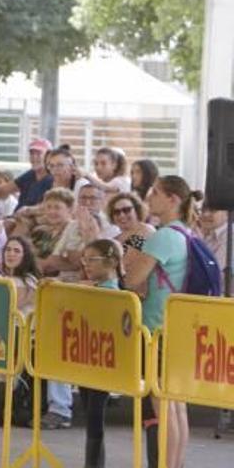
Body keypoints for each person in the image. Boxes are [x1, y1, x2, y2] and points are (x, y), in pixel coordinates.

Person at [124, 175, 198, 468]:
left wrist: (136, 243)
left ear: (173, 200)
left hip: (156, 330)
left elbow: (131, 279)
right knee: (176, 406)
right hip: (177, 328)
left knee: (162, 405)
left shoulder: (164, 236)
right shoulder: (186, 233)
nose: (149, 197)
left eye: (155, 193)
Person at [78, 238, 126, 467]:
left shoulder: (112, 292)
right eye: (84, 260)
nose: (86, 265)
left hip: (103, 360)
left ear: (112, 262)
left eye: (92, 260)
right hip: (89, 356)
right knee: (89, 410)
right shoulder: (95, 288)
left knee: (95, 413)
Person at [0, 138, 53, 211]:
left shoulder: (52, 178)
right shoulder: (30, 175)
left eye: (39, 154)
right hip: (16, 218)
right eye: (32, 153)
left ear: (49, 156)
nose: (34, 157)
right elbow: (3, 190)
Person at [0, 236, 41, 313]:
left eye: (17, 251)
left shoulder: (27, 281)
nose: (11, 254)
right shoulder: (5, 278)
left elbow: (5, 309)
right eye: (8, 249)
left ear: (25, 256)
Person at [197, 206, 229, 273]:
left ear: (227, 213)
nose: (205, 214)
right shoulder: (209, 234)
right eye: (202, 210)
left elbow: (211, 270)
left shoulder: (230, 236)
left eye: (213, 210)